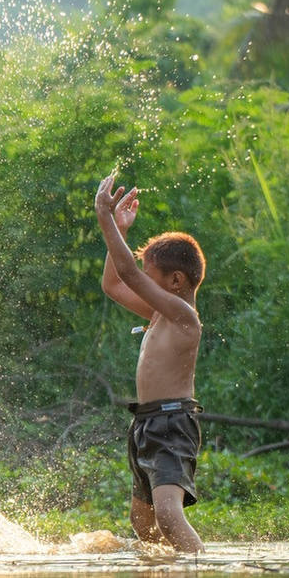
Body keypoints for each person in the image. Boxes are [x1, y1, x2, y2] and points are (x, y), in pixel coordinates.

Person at [93, 172, 206, 554]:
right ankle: (165, 569)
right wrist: (120, 233)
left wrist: (105, 217)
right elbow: (113, 284)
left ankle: (199, 567)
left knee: (169, 517)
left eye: (149, 275)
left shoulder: (182, 316)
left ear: (175, 281)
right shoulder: (160, 313)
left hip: (173, 424)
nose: (142, 279)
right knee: (143, 522)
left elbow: (126, 274)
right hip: (147, 421)